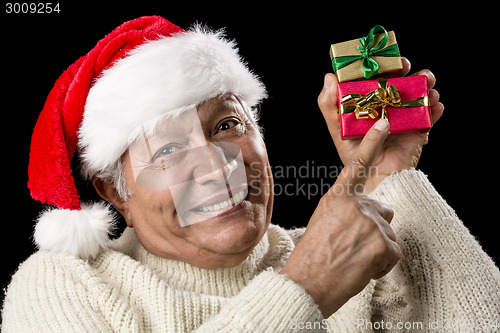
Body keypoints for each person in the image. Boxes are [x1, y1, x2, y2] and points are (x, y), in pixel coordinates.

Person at [2, 16, 499, 332]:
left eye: (227, 124)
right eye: (169, 149)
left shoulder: (344, 254)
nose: (216, 164)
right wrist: (303, 289)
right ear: (118, 192)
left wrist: (391, 174)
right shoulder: (66, 284)